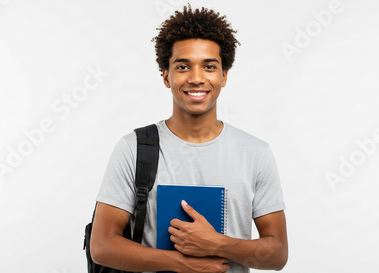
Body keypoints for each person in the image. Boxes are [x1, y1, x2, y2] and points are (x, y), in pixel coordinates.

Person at [90, 4, 288, 273]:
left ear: (224, 76)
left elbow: (277, 255)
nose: (196, 78)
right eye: (183, 66)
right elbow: (101, 246)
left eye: (209, 66)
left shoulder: (255, 153)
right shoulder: (133, 148)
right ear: (166, 77)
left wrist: (217, 243)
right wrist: (181, 264)